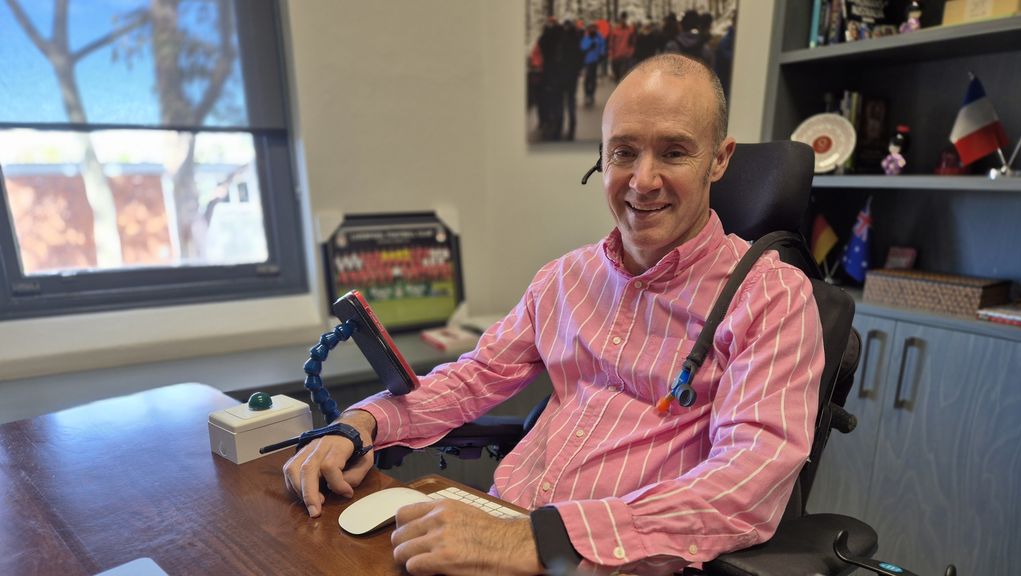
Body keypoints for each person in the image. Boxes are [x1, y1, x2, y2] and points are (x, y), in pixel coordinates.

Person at [283, 54, 824, 575]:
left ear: (720, 158)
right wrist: (363, 423)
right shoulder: (565, 279)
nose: (642, 180)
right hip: (499, 526)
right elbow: (475, 377)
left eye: (675, 152)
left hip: (615, 563)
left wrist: (545, 540)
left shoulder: (772, 297)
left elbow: (746, 482)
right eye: (624, 152)